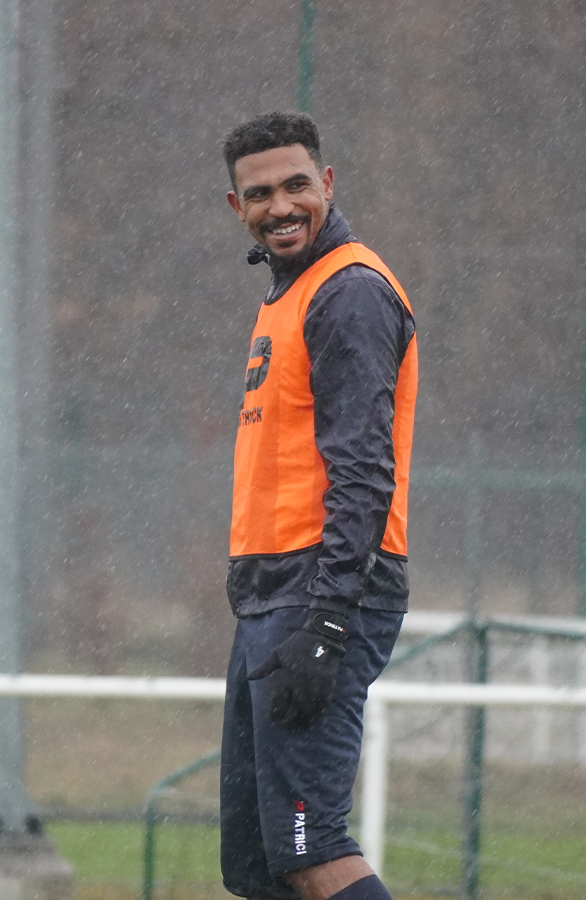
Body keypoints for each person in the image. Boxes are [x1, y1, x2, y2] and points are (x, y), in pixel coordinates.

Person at [218, 111, 417, 900]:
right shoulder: (290, 296)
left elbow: (365, 472)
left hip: (320, 594)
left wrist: (329, 619)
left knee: (311, 848)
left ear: (327, 184)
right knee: (260, 865)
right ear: (236, 207)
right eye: (259, 193)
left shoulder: (350, 294)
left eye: (297, 185)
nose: (282, 205)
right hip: (274, 594)